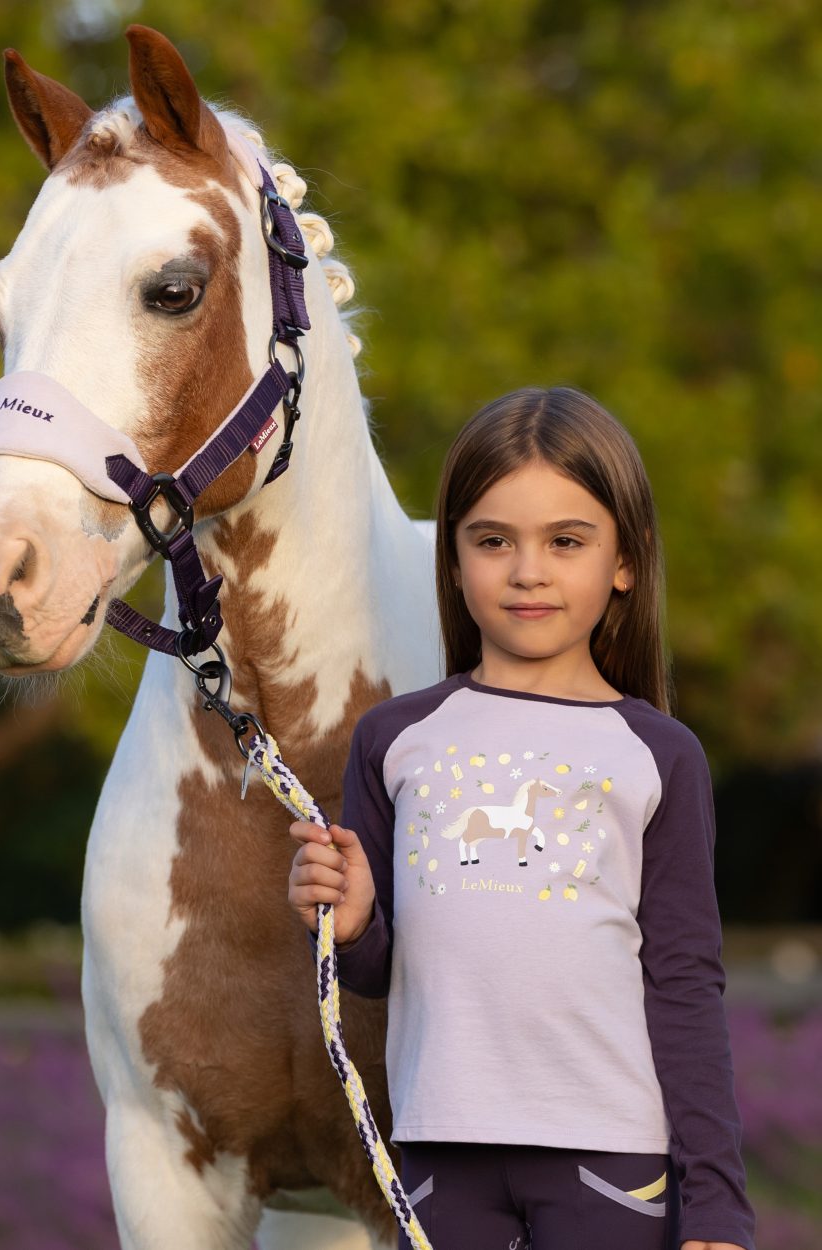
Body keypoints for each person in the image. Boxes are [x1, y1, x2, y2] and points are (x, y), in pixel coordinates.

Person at [288, 387, 755, 1250]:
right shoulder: (392, 739)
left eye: (566, 542)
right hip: (439, 1159)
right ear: (453, 559)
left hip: (611, 1163)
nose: (527, 571)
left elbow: (686, 987)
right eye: (493, 540)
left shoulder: (659, 755)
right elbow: (379, 970)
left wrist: (719, 1207)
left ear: (625, 560)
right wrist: (349, 925)